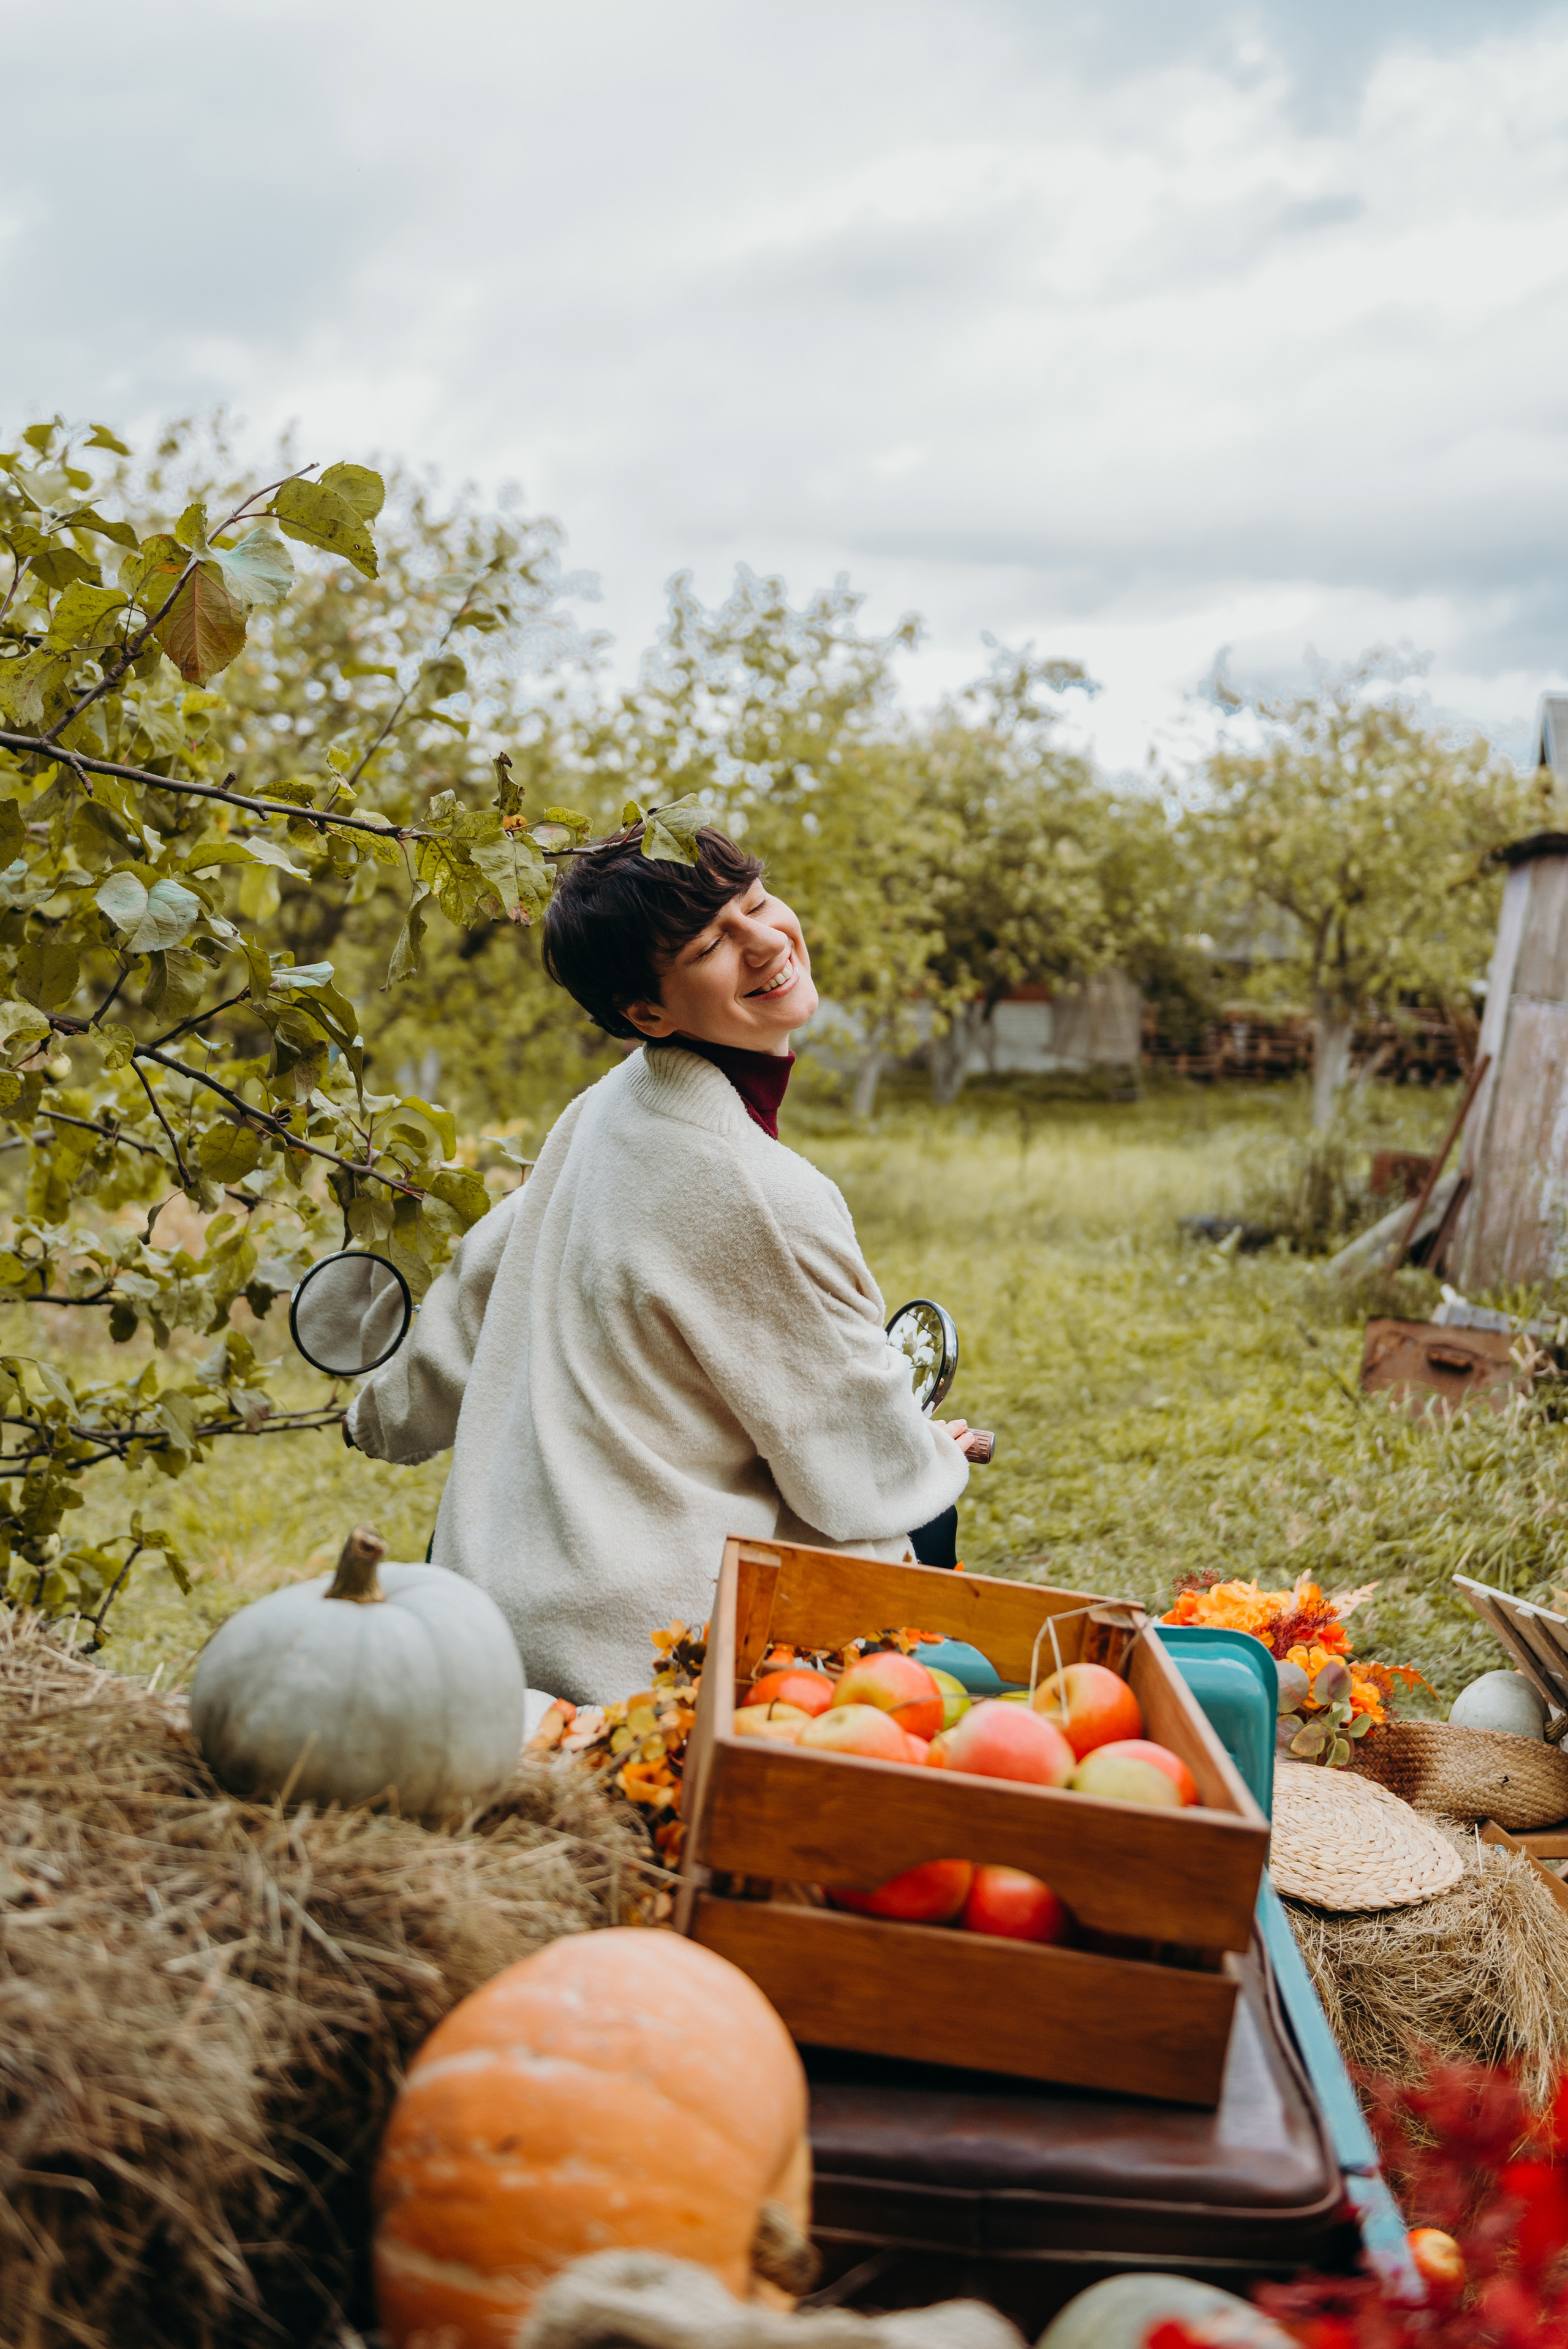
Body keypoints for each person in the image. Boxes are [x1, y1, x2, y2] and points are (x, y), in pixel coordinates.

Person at [345, 819, 970, 1704]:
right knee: (920, 1542)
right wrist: (930, 1456)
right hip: (645, 1650)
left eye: (755, 902)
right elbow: (856, 1464)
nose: (764, 941)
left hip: (486, 1613)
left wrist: (380, 1411)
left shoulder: (607, 1108)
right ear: (647, 1012)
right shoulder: (761, 1190)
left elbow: (487, 1273)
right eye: (713, 942)